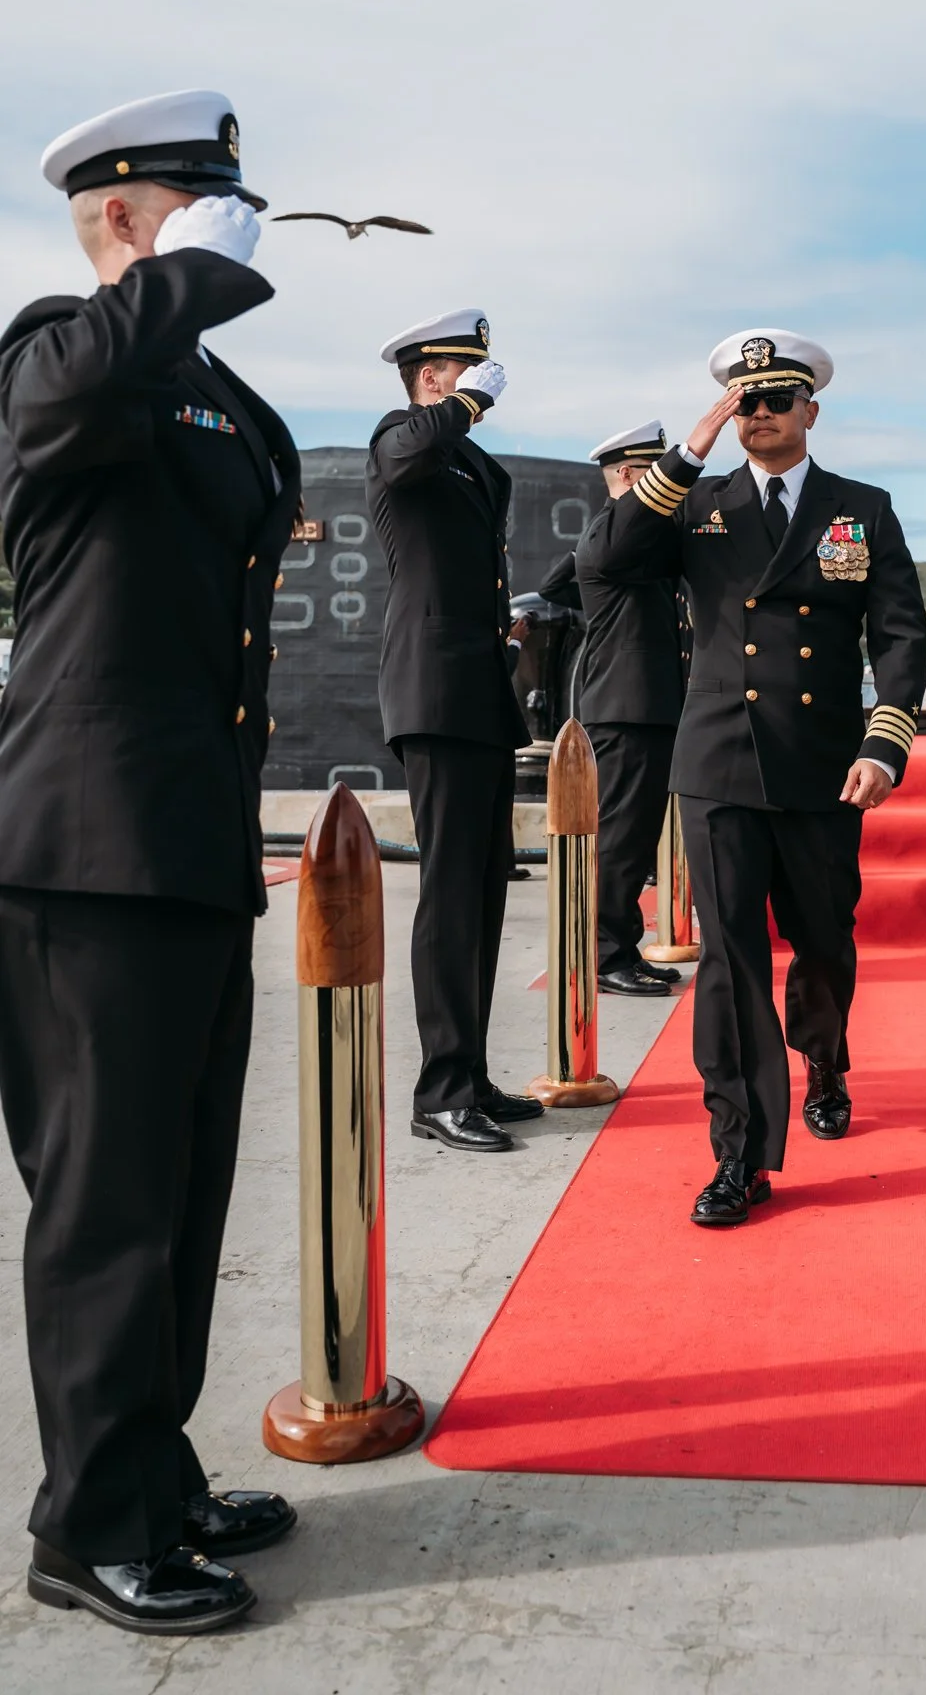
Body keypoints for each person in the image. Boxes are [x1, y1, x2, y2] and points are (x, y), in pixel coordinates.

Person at [0, 91, 300, 1634]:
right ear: (126, 213)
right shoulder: (60, 349)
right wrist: (191, 280)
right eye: (196, 202)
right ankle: (87, 1523)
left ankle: (153, 1473)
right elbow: (53, 409)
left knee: (181, 1189)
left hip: (186, 840)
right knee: (105, 1199)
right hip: (83, 846)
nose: (226, 224)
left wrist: (193, 312)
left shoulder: (210, 393)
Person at [586, 329, 926, 1225]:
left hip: (823, 764)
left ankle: (824, 1058)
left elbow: (898, 634)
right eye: (746, 402)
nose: (760, 415)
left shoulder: (863, 507)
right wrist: (686, 450)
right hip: (720, 762)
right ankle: (738, 1152)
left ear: (810, 410)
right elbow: (607, 560)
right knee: (729, 962)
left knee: (822, 938)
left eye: (777, 400)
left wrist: (884, 741)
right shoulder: (695, 504)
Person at [366, 308, 542, 1154]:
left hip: (477, 689)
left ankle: (467, 1073)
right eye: (460, 370)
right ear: (430, 376)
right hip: (434, 691)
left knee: (482, 888)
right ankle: (438, 1090)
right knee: (447, 892)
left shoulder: (471, 463)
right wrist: (461, 408)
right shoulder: (403, 436)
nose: (479, 379)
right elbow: (407, 458)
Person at [540, 420, 686, 999]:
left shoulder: (627, 540)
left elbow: (559, 581)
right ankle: (602, 956)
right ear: (626, 475)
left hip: (645, 705)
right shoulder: (613, 537)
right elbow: (565, 579)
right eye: (652, 473)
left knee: (634, 836)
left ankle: (621, 946)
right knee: (620, 839)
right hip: (625, 706)